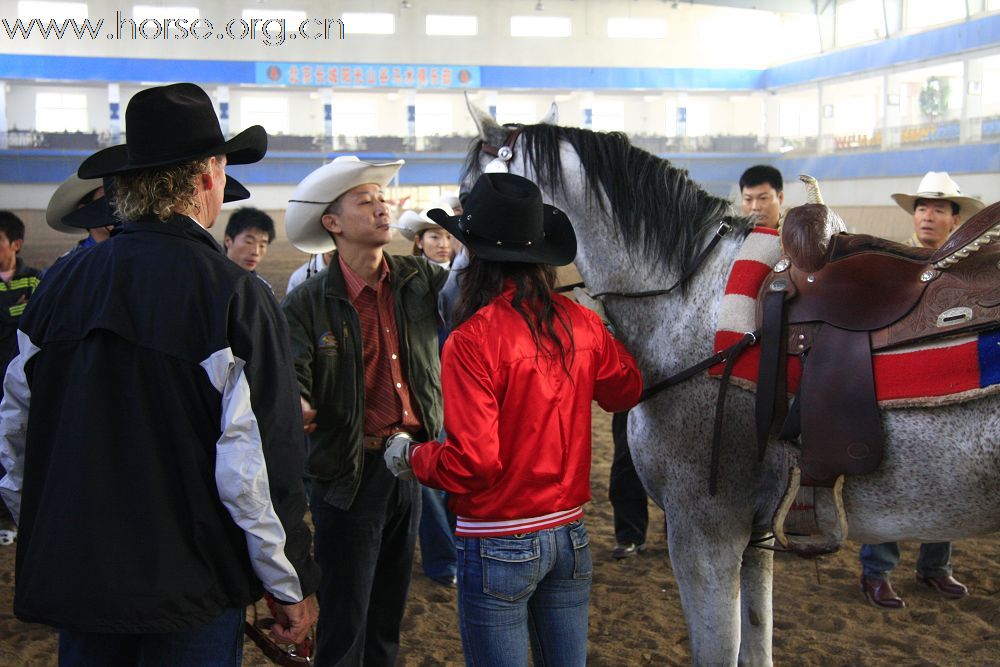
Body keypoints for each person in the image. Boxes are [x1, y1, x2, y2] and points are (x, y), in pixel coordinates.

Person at [0, 82, 319, 664]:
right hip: (190, 586)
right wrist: (288, 577)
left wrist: (52, 528)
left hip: (81, 573)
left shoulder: (58, 286)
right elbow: (256, 464)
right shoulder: (234, 295)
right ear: (206, 178)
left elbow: (17, 436)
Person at [383, 173, 643, 667]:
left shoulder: (471, 339)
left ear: (475, 256)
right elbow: (625, 390)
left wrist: (412, 456)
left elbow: (473, 463)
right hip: (568, 530)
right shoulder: (580, 321)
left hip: (498, 535)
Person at [281, 155, 448, 666]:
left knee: (388, 614)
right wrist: (300, 401)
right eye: (365, 201)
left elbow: (475, 291)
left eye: (381, 199)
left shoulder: (421, 279)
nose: (381, 209)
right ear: (332, 223)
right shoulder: (306, 304)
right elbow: (291, 379)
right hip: (347, 473)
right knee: (345, 617)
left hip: (410, 465)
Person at [858, 171, 984, 610]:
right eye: (922, 208)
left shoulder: (966, 272)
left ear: (954, 218)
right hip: (898, 381)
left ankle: (935, 565)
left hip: (950, 382)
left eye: (938, 209)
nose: (928, 216)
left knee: (949, 472)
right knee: (892, 470)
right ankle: (876, 570)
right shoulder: (896, 263)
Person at [892, 171, 985, 250]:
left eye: (938, 211)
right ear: (914, 214)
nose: (927, 218)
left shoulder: (960, 260)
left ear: (955, 220)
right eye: (922, 209)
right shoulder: (897, 258)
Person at [45, 173, 113, 256]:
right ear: (86, 212)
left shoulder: (129, 255)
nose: (117, 207)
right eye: (106, 201)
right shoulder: (71, 264)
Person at [223, 206, 276, 290]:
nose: (256, 252)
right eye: (249, 242)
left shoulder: (264, 289)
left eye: (262, 245)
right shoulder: (208, 280)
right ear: (228, 240)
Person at [739, 164, 784, 229]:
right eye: (748, 199)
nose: (755, 207)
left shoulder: (795, 235)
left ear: (780, 198)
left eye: (763, 198)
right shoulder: (732, 237)